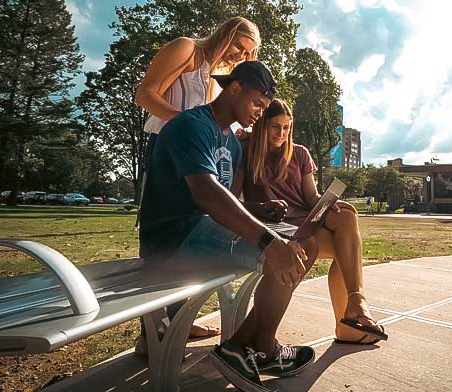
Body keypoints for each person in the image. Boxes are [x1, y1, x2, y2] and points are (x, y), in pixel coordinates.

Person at [140, 61, 316, 390]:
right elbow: (206, 194)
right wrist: (268, 242)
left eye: (263, 107)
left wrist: (258, 208)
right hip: (173, 239)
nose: (259, 113)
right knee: (289, 249)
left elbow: (227, 201)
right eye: (257, 104)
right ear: (234, 89)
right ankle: (255, 348)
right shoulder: (190, 125)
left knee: (305, 244)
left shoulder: (232, 143)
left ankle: (251, 345)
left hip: (203, 231)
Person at [133, 16, 261, 345]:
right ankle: (150, 335)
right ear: (224, 34)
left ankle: (177, 322)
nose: (238, 55)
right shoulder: (186, 48)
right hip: (167, 149)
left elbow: (210, 121)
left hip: (193, 156)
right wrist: (188, 127)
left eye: (246, 53)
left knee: (194, 235)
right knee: (166, 239)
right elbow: (145, 94)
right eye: (238, 45)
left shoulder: (216, 80)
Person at [233, 98, 388, 347]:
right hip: (277, 230)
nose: (281, 134)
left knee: (347, 216)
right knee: (343, 250)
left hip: (306, 223)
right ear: (262, 125)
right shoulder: (246, 150)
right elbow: (232, 202)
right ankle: (346, 322)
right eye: (275, 127)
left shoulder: (300, 153)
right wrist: (260, 207)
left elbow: (310, 196)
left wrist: (330, 203)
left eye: (286, 128)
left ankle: (356, 304)